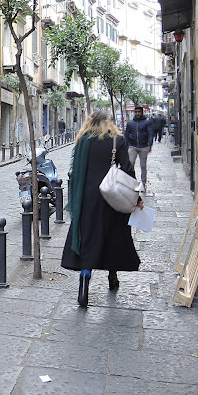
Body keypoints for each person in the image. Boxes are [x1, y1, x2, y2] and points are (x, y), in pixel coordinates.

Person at [61, 111, 143, 307]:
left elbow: (75, 172)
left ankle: (85, 278)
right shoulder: (118, 140)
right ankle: (112, 276)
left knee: (89, 237)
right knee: (113, 236)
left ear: (89, 123)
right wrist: (137, 198)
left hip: (87, 199)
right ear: (109, 123)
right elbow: (128, 171)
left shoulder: (82, 142)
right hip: (111, 197)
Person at [124, 106, 153, 191]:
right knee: (130, 163)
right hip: (132, 146)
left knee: (143, 166)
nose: (137, 113)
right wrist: (125, 146)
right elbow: (126, 135)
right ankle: (131, 182)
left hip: (143, 146)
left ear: (142, 112)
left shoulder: (147, 123)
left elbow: (150, 134)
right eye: (136, 112)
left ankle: (143, 184)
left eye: (139, 112)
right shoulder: (130, 123)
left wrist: (149, 145)